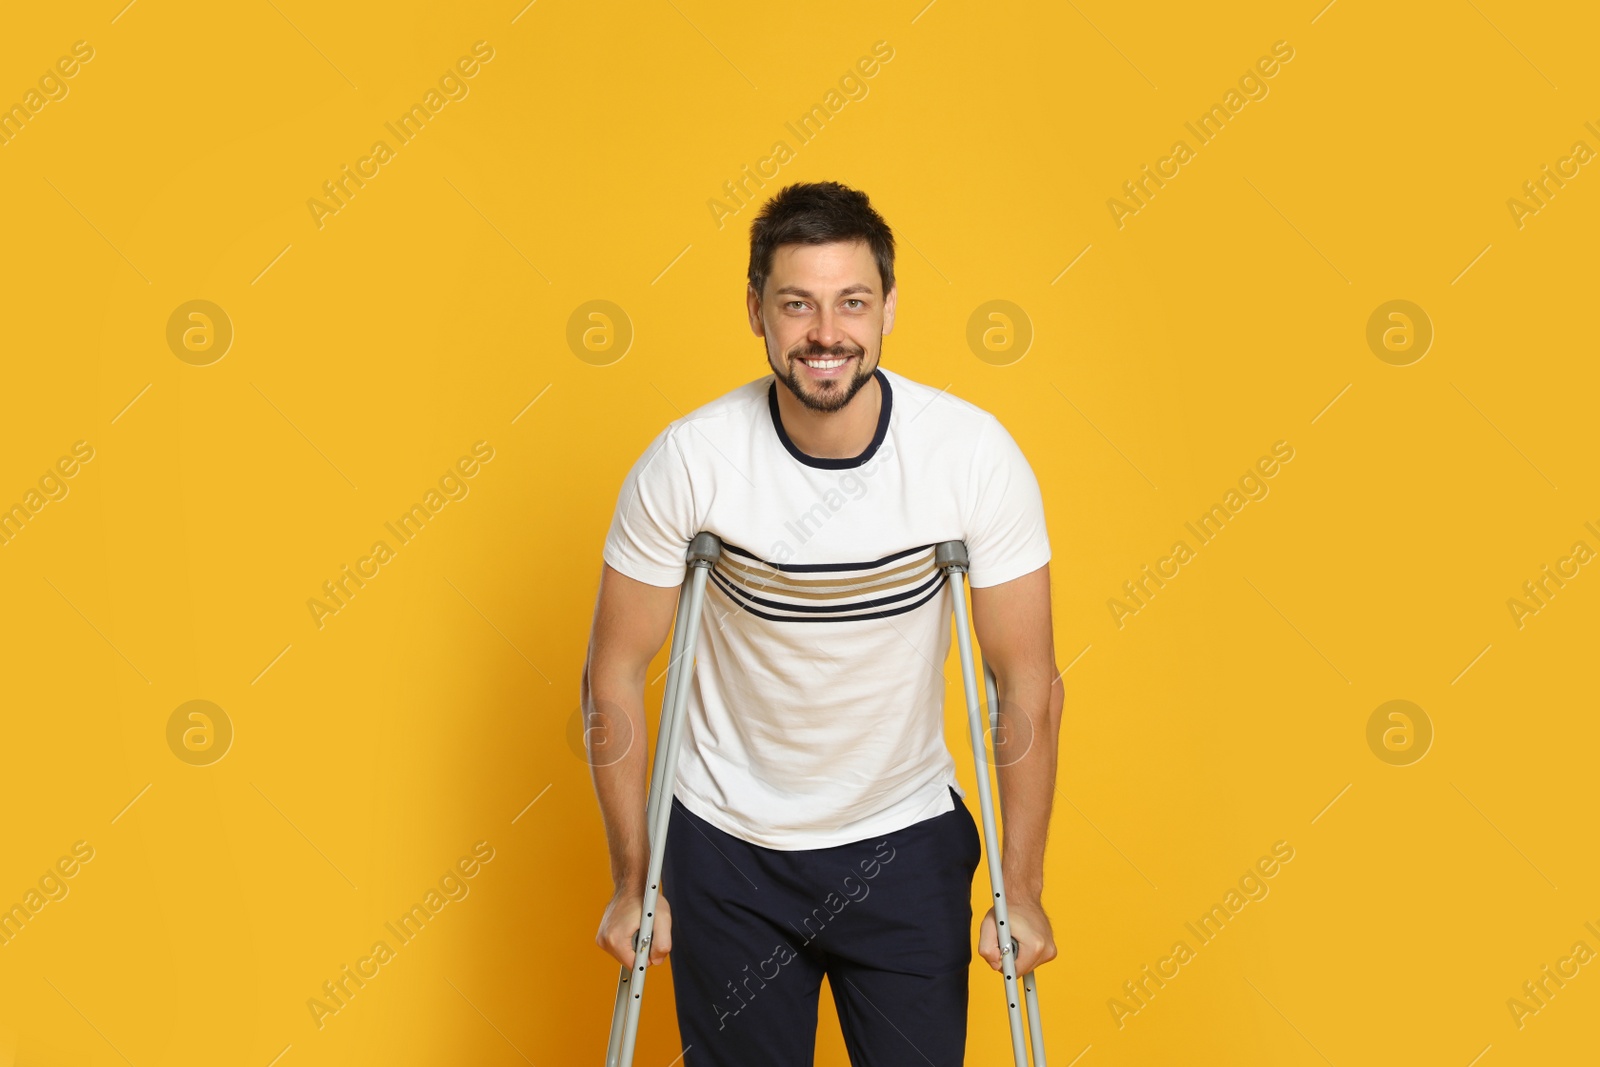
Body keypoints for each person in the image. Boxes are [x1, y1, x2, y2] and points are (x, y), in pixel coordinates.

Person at [582, 180, 1062, 1066]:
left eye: (852, 302)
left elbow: (1024, 678)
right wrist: (630, 879)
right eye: (796, 303)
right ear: (756, 311)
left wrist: (1021, 887)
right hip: (729, 851)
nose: (826, 333)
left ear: (887, 310)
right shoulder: (692, 462)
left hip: (904, 842)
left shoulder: (969, 456)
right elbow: (613, 673)